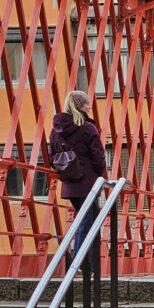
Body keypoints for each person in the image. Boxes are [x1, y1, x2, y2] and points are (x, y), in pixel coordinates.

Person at [49, 90, 107, 269]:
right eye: (88, 104)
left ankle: (85, 262)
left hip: (70, 183)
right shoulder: (87, 127)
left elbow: (52, 156)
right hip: (88, 182)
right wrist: (101, 176)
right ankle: (80, 262)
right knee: (87, 221)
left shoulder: (56, 130)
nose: (90, 107)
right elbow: (98, 155)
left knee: (88, 218)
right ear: (80, 105)